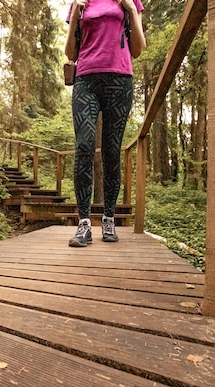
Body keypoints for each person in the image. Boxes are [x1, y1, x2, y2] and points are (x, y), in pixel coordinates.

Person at [64, 0, 146, 247]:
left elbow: (139, 49)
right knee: (84, 146)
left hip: (120, 80)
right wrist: (77, 13)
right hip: (86, 80)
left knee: (112, 150)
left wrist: (130, 8)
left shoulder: (131, 2)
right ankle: (84, 224)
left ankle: (109, 218)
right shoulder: (80, 2)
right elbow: (70, 52)